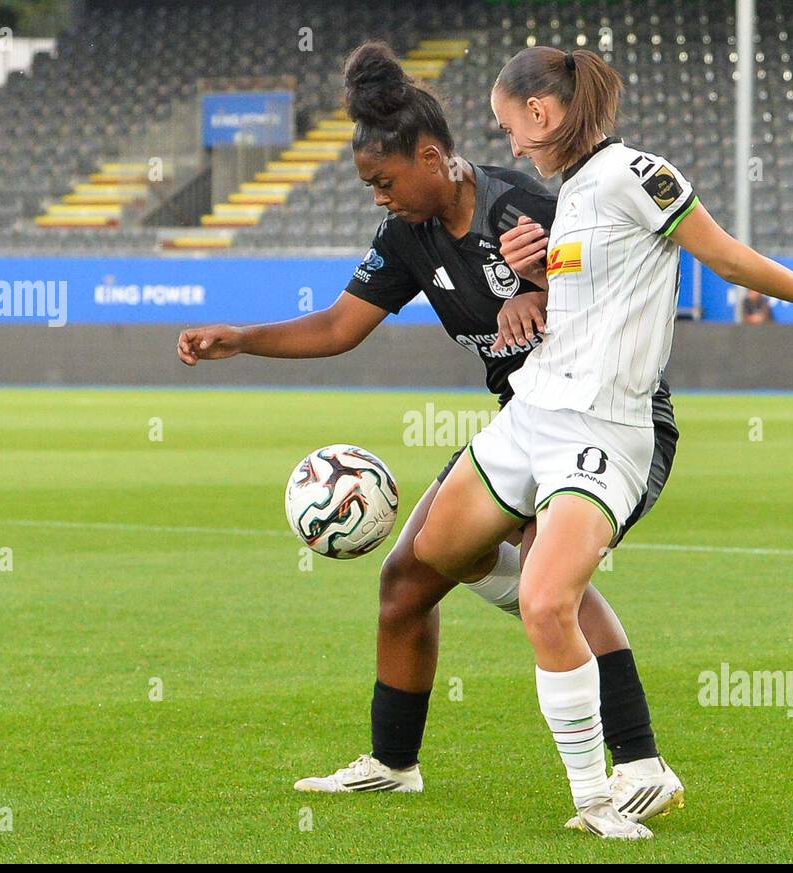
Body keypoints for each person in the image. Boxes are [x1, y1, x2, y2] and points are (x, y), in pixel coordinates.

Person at [176, 43, 684, 824]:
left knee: (551, 589)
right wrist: (243, 337)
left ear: (434, 156)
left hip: (609, 417)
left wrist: (542, 292)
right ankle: (392, 763)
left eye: (384, 181)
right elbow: (342, 326)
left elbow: (623, 291)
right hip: (526, 420)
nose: (378, 198)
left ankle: (638, 761)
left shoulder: (524, 203)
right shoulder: (407, 234)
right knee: (410, 581)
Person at [412, 46, 793, 839]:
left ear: (542, 113)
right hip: (530, 413)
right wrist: (526, 281)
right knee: (440, 550)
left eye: (510, 128)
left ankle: (598, 796)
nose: (510, 147)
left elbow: (728, 256)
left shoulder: (638, 174)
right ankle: (570, 633)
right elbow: (581, 308)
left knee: (542, 598)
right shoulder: (568, 196)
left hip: (602, 431)